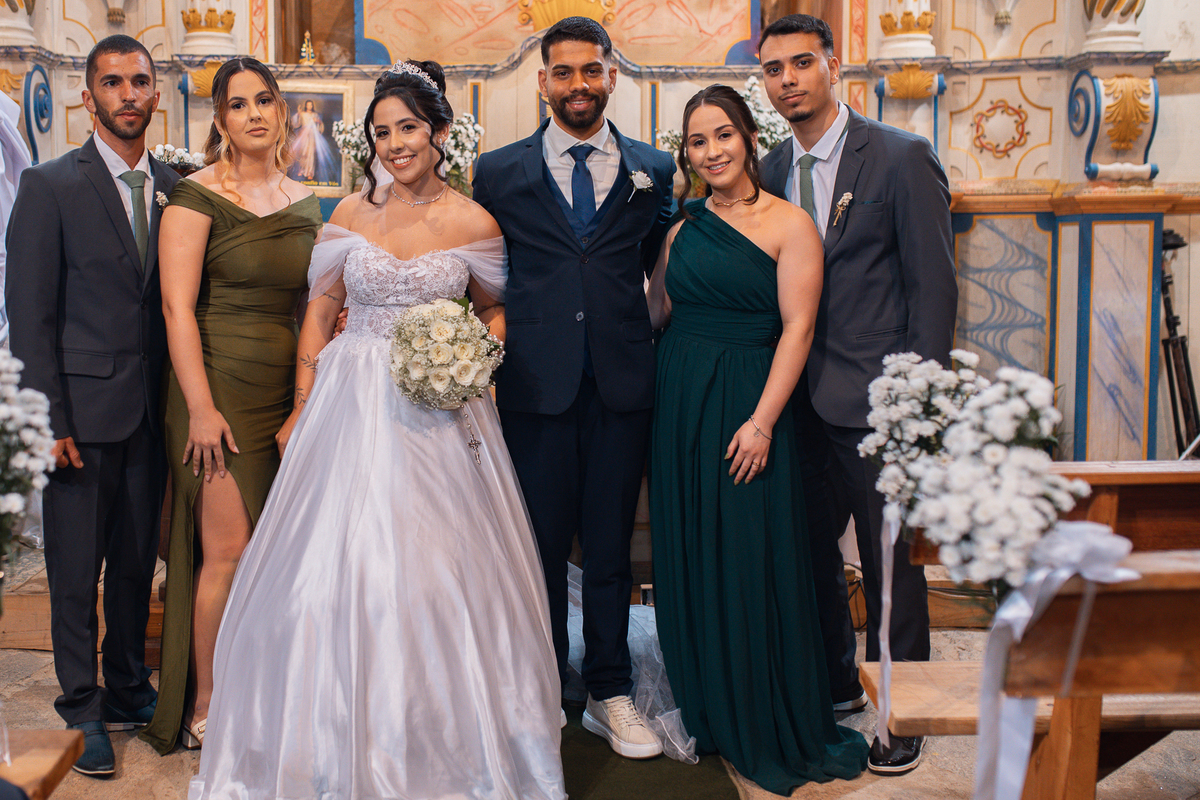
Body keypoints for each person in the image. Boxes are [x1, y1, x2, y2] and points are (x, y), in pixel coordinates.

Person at [187, 61, 566, 800]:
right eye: (382, 132)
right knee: (335, 563)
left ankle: (439, 738)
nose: (395, 145)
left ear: (440, 132)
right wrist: (302, 407)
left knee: (438, 571)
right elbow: (320, 314)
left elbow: (493, 308)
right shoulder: (349, 216)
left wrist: (473, 358)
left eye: (409, 129)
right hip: (349, 403)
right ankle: (326, 734)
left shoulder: (475, 222)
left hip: (439, 413)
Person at [645, 84, 868, 794]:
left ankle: (761, 706)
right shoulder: (681, 229)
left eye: (723, 135)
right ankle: (708, 702)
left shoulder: (789, 224)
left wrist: (763, 420)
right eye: (697, 141)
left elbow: (798, 328)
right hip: (680, 402)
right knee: (691, 548)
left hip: (749, 401)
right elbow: (655, 313)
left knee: (749, 553)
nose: (711, 151)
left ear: (747, 138)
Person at [757, 14, 959, 775]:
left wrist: (918, 405)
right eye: (774, 69)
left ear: (833, 66)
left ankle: (906, 708)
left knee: (890, 564)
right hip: (795, 401)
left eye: (802, 63)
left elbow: (933, 289)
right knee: (809, 552)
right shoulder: (770, 167)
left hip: (878, 402)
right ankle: (839, 683)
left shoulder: (900, 157)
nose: (788, 80)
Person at [472, 16, 675, 759]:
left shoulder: (654, 168)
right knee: (539, 548)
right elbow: (482, 274)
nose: (578, 85)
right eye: (564, 72)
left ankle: (608, 690)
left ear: (611, 75)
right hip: (534, 386)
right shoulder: (498, 172)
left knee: (613, 546)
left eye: (592, 70)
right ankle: (543, 680)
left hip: (622, 385)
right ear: (543, 81)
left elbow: (658, 264)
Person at [4, 34, 179, 776]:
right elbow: (29, 313)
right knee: (76, 572)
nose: (127, 95)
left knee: (137, 563)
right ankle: (81, 705)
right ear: (88, 96)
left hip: (153, 412)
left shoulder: (177, 185)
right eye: (112, 83)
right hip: (78, 414)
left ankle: (127, 684)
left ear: (156, 94)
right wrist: (49, 421)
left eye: (139, 82)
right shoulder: (50, 185)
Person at [140, 57, 321, 754]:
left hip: (283, 391)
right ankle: (207, 704)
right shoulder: (195, 197)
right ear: (219, 119)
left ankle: (263, 691)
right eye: (237, 104)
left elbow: (310, 306)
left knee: (275, 553)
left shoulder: (305, 201)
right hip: (213, 387)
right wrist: (200, 408)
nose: (253, 114)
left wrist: (308, 397)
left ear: (282, 111)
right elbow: (175, 309)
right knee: (227, 551)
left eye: (264, 100)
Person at [289, 98, 339, 184]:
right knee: (303, 153)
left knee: (311, 154)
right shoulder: (302, 114)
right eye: (308, 104)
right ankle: (302, 170)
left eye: (311, 105)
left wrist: (318, 122)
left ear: (312, 106)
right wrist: (298, 114)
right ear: (306, 105)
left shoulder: (315, 115)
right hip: (303, 135)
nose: (309, 106)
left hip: (312, 135)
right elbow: (295, 124)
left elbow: (320, 126)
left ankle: (309, 173)